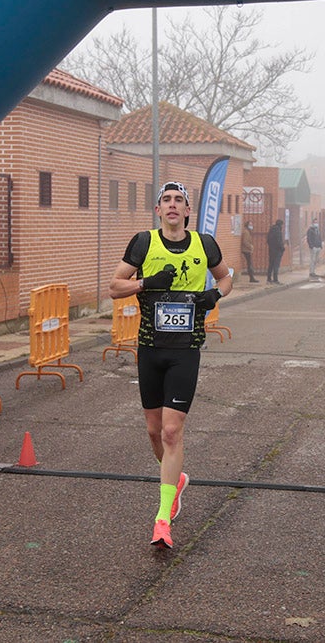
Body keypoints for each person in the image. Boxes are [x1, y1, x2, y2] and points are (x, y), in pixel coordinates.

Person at [108, 181, 233, 549]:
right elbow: (114, 287)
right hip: (150, 347)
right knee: (152, 430)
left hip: (185, 349)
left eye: (179, 200)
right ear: (158, 210)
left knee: (171, 431)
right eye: (167, 200)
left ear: (188, 211)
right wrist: (146, 283)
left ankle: (162, 519)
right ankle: (174, 479)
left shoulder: (204, 244)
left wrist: (214, 293)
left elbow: (226, 278)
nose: (173, 205)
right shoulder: (143, 243)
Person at [266, 219, 285, 284]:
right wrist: (282, 248)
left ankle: (268, 279)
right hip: (277, 251)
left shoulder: (271, 230)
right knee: (276, 265)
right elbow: (279, 241)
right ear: (280, 224)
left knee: (271, 264)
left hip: (271, 250)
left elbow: (268, 240)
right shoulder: (278, 231)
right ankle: (275, 279)